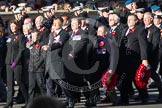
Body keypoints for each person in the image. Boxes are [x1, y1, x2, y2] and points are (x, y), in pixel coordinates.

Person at [117, 14, 149, 105]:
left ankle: (144, 96)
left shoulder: (140, 30)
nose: (129, 21)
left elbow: (143, 45)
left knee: (137, 79)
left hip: (134, 60)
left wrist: (144, 59)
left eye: (131, 19)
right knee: (124, 80)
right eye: (128, 19)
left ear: (136, 21)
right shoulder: (125, 30)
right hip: (124, 60)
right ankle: (124, 99)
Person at [42, 17, 69, 97]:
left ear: (61, 24)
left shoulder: (64, 34)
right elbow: (48, 43)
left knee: (62, 84)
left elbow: (60, 43)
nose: (55, 24)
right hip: (49, 63)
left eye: (57, 22)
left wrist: (49, 47)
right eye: (54, 22)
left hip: (58, 62)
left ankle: (70, 99)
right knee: (49, 84)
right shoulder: (51, 34)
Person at [4, 20, 28, 108]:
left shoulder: (21, 36)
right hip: (8, 63)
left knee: (20, 82)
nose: (13, 28)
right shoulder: (9, 37)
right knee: (9, 84)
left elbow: (21, 50)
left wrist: (15, 61)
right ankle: (9, 102)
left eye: (14, 26)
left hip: (17, 64)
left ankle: (27, 100)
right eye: (11, 26)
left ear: (17, 27)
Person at [143, 12, 162, 102]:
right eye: (144, 18)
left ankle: (161, 92)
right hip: (143, 56)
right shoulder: (142, 29)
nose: (144, 20)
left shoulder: (155, 30)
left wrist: (147, 53)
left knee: (153, 74)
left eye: (146, 18)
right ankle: (143, 94)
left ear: (151, 19)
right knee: (141, 75)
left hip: (152, 56)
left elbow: (155, 44)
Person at [28, 29, 46, 103]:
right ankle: (30, 103)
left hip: (39, 69)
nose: (34, 37)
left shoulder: (42, 44)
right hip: (31, 69)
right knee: (31, 87)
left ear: (38, 36)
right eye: (33, 36)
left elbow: (43, 56)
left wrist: (37, 65)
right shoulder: (30, 44)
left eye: (35, 36)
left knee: (41, 86)